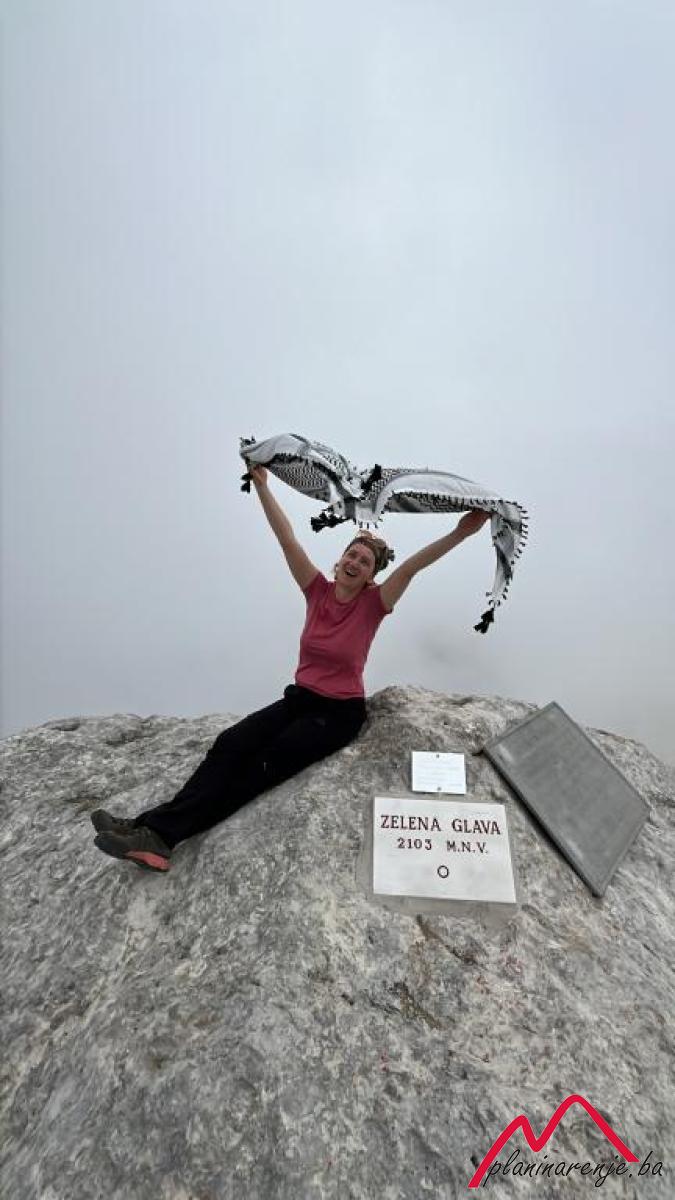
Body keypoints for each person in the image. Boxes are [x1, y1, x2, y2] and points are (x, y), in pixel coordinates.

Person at [91, 464, 490, 872]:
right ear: (340, 559)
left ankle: (160, 839)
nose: (355, 562)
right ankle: (145, 826)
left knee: (259, 767)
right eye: (352, 554)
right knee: (230, 744)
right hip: (299, 700)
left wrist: (462, 532)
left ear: (372, 575)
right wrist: (263, 486)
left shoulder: (374, 605)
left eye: (365, 561)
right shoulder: (317, 591)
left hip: (337, 714)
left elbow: (412, 567)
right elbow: (287, 539)